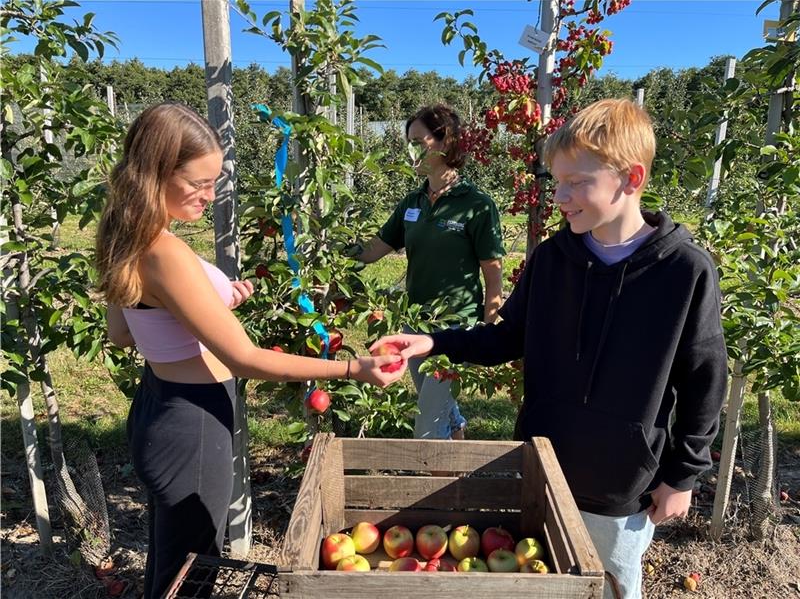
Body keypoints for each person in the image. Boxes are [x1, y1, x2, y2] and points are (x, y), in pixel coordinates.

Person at [372, 98, 727, 599]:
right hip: (542, 463)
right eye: (556, 182)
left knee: (609, 584)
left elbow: (704, 381)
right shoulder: (552, 259)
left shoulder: (684, 271)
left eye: (576, 182)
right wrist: (433, 341)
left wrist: (683, 476)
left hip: (618, 484)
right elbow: (507, 336)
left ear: (631, 178)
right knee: (542, 581)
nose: (560, 196)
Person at [96, 102, 404, 599]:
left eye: (213, 181)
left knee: (169, 562)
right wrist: (353, 368)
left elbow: (123, 333)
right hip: (194, 424)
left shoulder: (127, 234)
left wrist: (211, 301)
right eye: (198, 183)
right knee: (192, 575)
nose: (209, 194)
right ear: (157, 174)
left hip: (158, 406)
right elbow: (245, 358)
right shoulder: (166, 252)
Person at [355, 104, 505, 441]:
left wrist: (486, 331)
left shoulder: (476, 205)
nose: (410, 150)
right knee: (438, 403)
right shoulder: (412, 202)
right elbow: (375, 249)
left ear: (445, 141)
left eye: (417, 142)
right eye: (408, 142)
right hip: (415, 324)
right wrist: (332, 247)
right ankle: (458, 450)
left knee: (428, 424)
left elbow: (493, 274)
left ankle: (435, 473)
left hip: (457, 327)